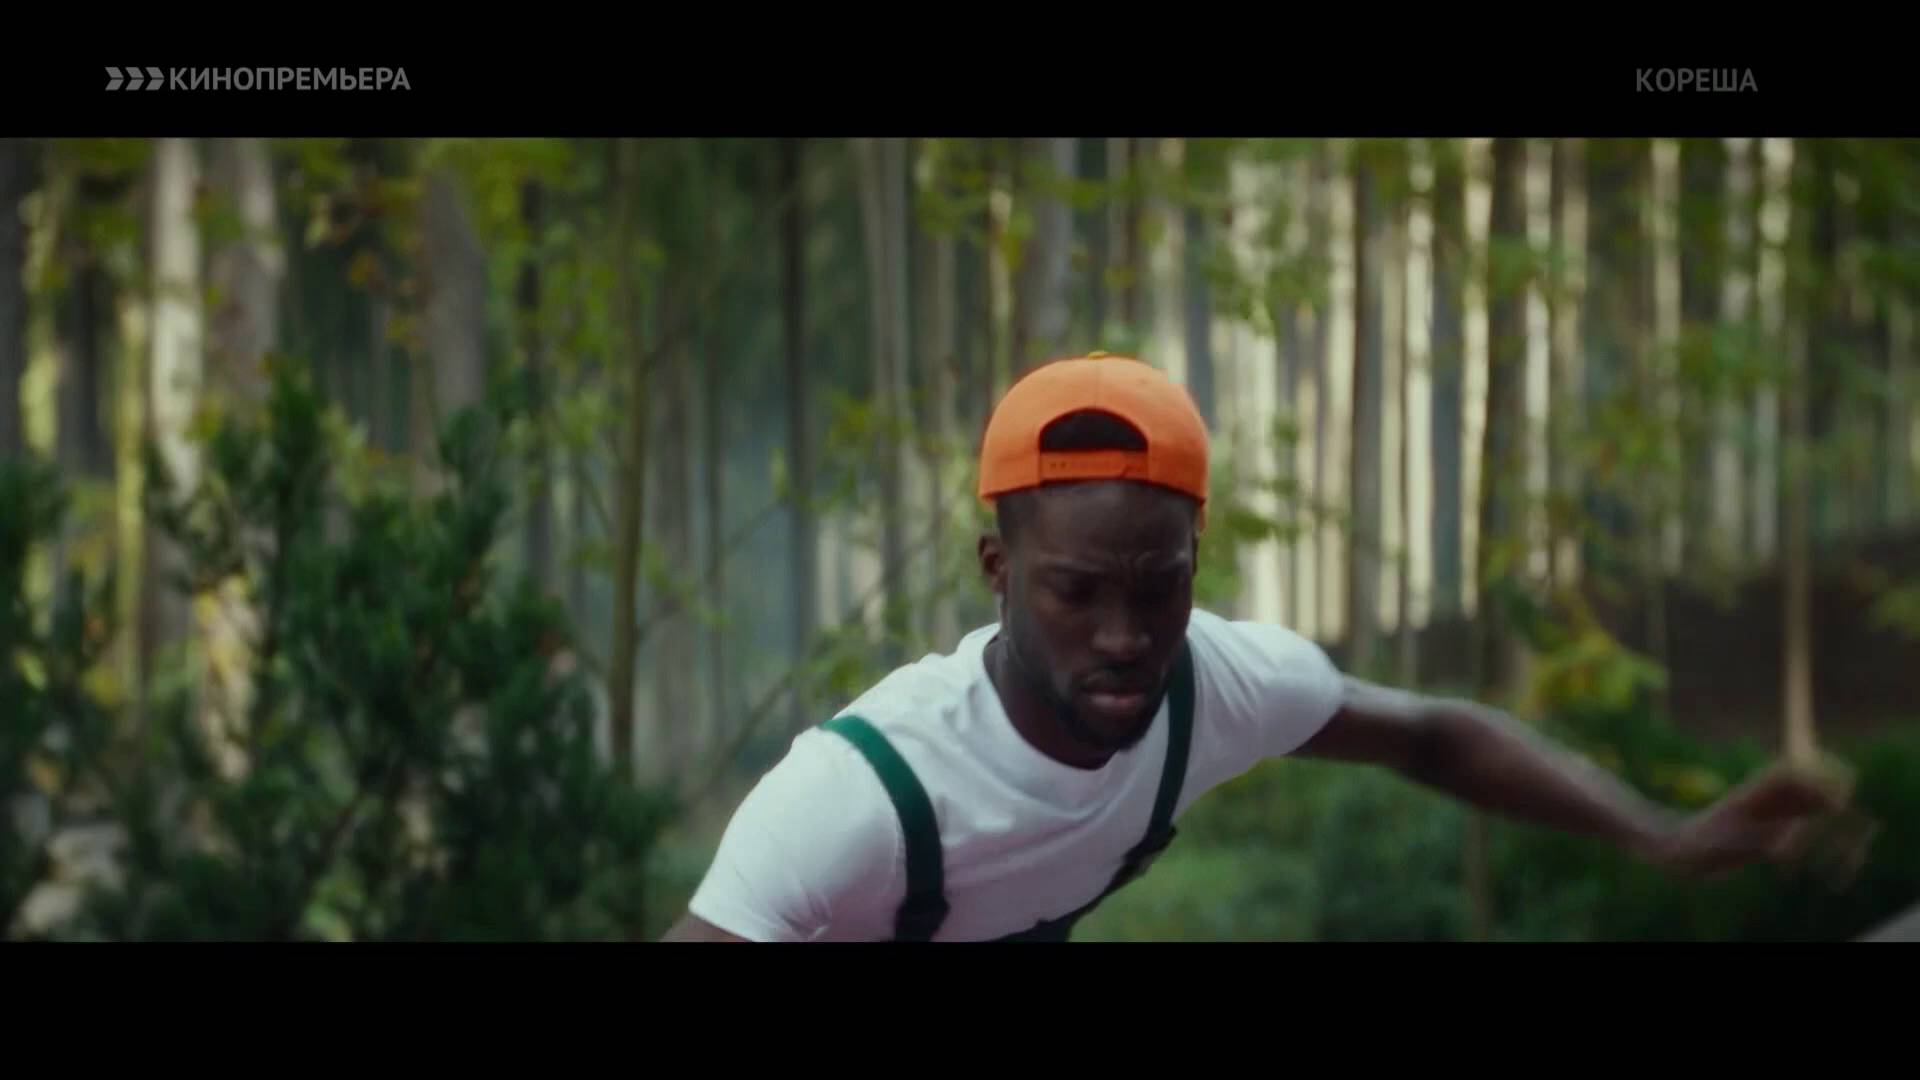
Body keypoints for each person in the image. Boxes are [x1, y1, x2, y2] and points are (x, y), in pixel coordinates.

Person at [663, 352, 1852, 943]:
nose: (1125, 638)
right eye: (1076, 593)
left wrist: (1661, 833)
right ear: (998, 571)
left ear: (1196, 560)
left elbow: (1431, 735)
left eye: (1160, 588)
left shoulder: (1216, 689)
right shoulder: (859, 796)